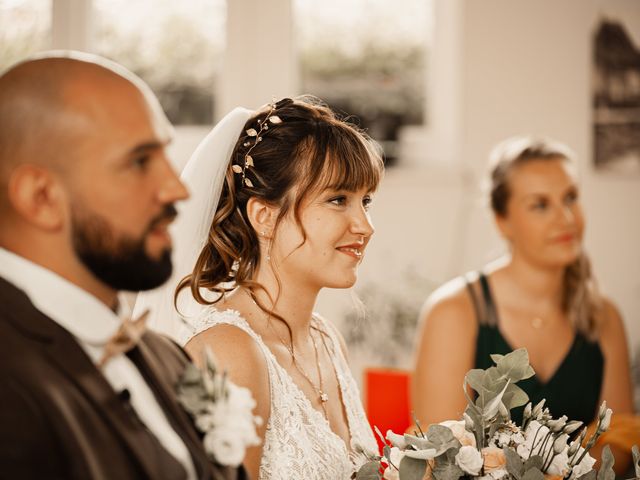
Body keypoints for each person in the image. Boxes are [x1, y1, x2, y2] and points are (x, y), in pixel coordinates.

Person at [0, 52, 245, 479]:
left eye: (166, 157)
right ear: (40, 197)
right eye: (139, 162)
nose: (176, 190)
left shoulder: (167, 357)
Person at [135, 96, 382, 479]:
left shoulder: (327, 341)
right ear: (264, 216)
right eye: (338, 200)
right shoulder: (229, 354)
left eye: (365, 201)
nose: (364, 225)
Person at [412, 135, 638, 472]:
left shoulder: (604, 317)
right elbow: (439, 459)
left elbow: (620, 445)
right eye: (540, 204)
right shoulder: (453, 312)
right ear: (502, 221)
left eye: (571, 198)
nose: (566, 218)